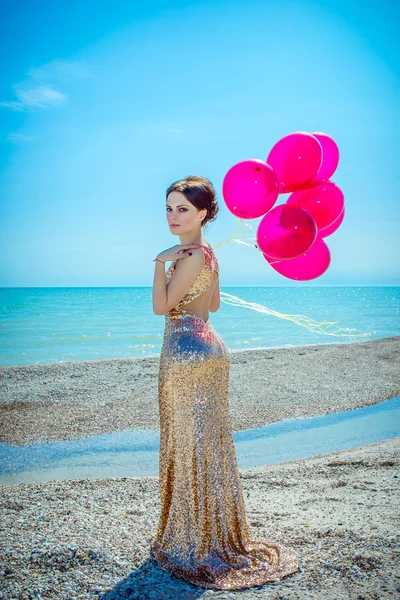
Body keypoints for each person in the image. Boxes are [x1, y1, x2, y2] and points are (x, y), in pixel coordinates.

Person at [150, 175, 299, 590]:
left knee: (190, 442)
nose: (173, 216)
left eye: (182, 208)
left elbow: (162, 308)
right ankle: (211, 534)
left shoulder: (187, 255)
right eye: (168, 208)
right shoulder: (210, 254)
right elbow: (211, 304)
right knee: (208, 443)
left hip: (185, 352)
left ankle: (196, 542)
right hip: (211, 345)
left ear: (203, 213)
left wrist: (160, 263)